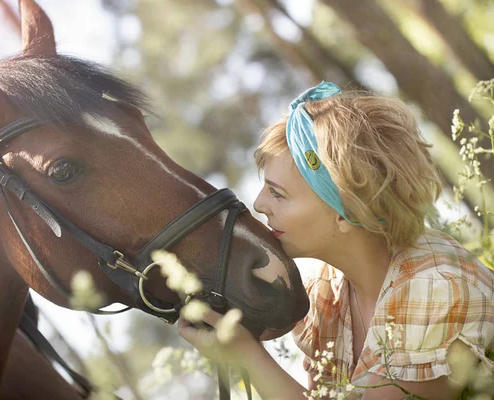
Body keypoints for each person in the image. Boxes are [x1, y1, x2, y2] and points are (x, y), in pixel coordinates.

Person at [178, 82, 494, 399]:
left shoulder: (436, 290)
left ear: (346, 210)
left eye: (278, 193)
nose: (259, 204)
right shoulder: (326, 294)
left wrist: (249, 356)